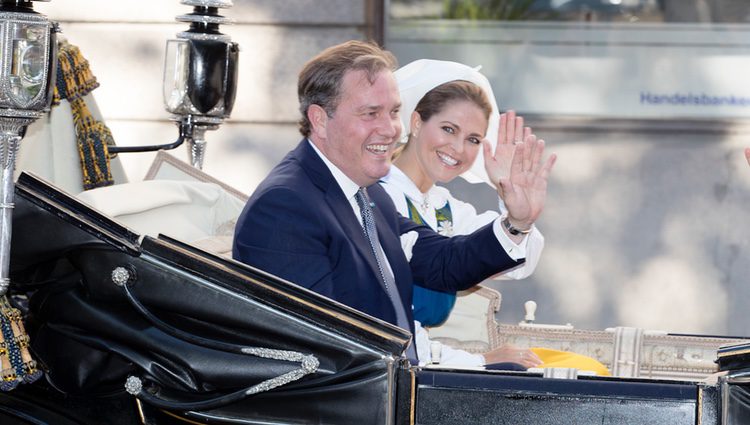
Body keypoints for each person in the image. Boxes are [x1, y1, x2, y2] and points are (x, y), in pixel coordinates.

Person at [232, 40, 556, 363]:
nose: (389, 129)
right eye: (370, 113)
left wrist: (517, 222)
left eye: (394, 112)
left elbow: (445, 262)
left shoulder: (368, 194)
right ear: (319, 119)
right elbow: (322, 348)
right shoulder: (285, 205)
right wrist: (473, 365)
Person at [380, 59, 545, 367]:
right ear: (415, 123)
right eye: (448, 129)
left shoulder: (445, 207)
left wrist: (512, 204)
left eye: (473, 139)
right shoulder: (380, 196)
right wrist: (480, 360)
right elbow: (389, 331)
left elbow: (518, 263)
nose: (458, 148)